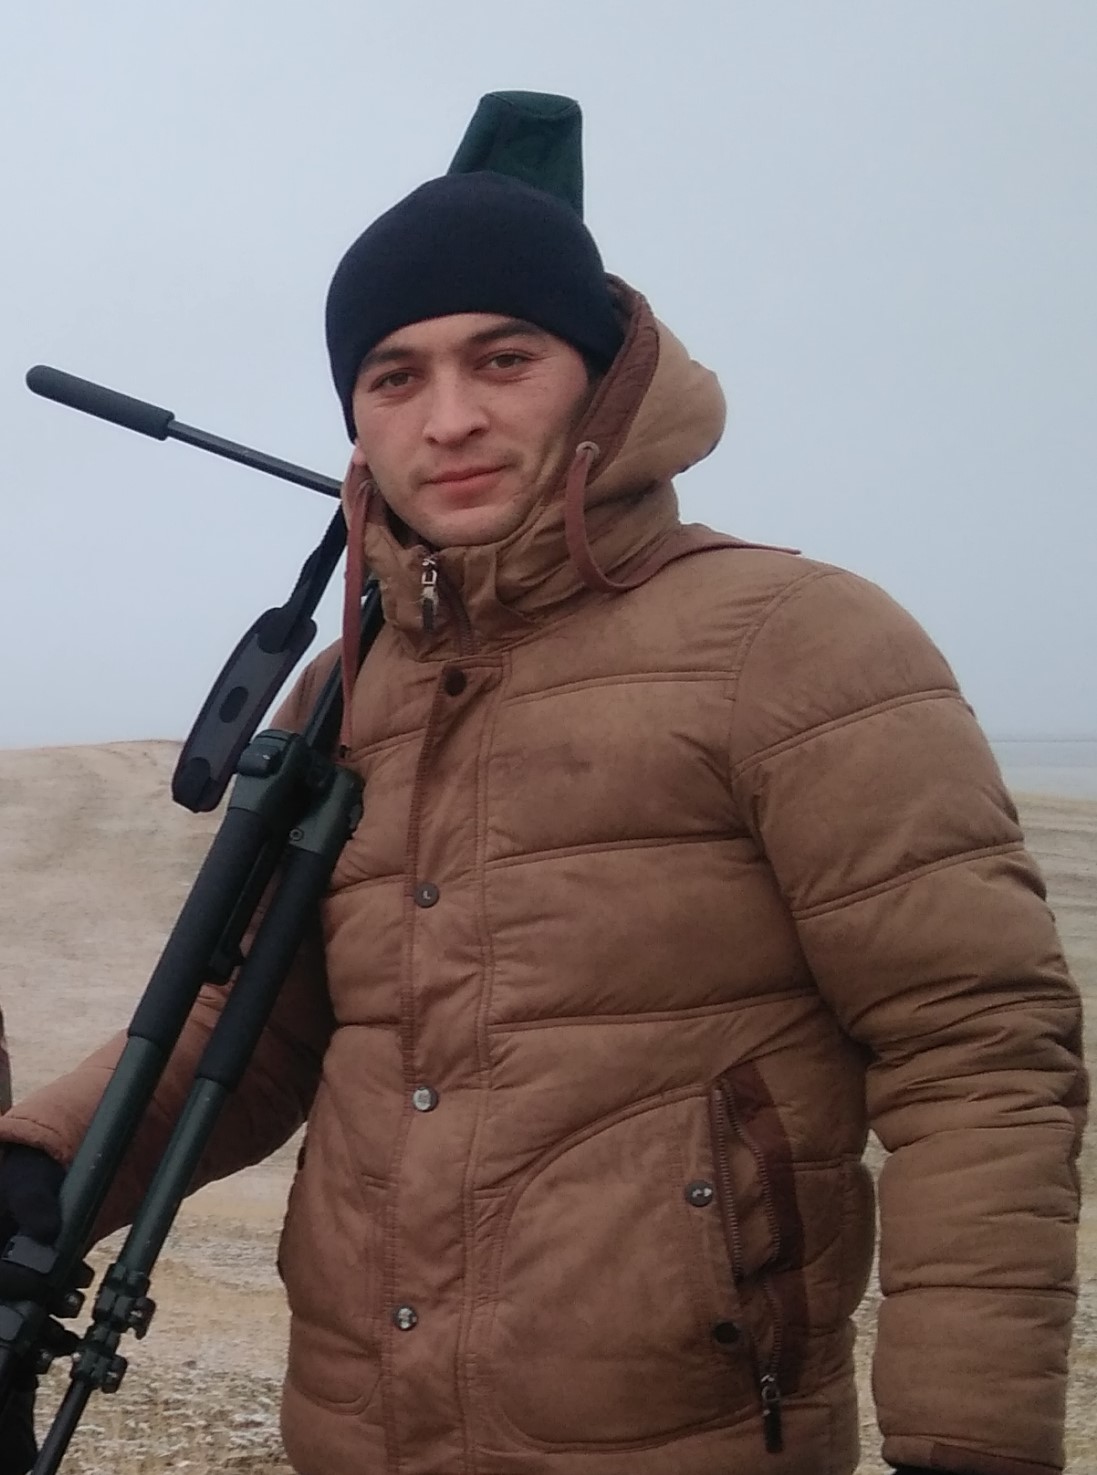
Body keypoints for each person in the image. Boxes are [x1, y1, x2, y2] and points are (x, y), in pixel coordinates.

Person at [0, 99, 1086, 1475]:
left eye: (502, 358)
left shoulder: (795, 640)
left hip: (687, 1439)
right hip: (357, 1433)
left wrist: (966, 1443)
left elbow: (976, 1051)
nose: (449, 418)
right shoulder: (345, 687)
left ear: (603, 376)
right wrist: (38, 1169)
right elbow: (253, 1027)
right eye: (395, 376)